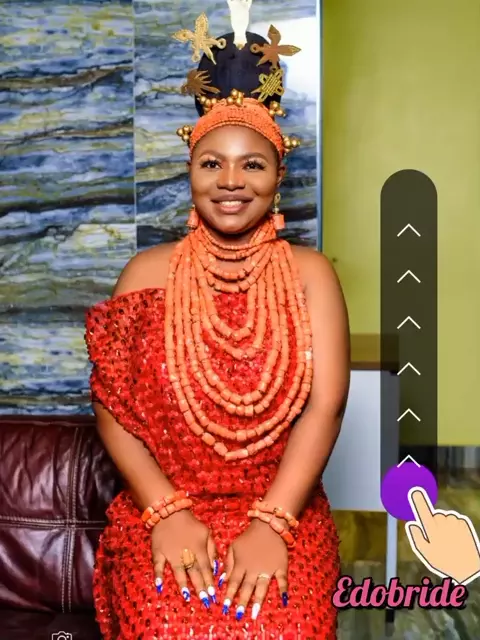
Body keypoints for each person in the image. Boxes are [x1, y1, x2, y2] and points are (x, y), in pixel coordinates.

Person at [85, 3, 350, 638]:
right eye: (212, 163)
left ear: (278, 175)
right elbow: (112, 405)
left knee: (280, 624)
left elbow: (326, 406)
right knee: (165, 622)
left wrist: (273, 523)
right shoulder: (145, 273)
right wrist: (165, 511)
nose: (231, 181)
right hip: (164, 509)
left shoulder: (310, 274)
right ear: (191, 172)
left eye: (252, 164)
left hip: (281, 509)